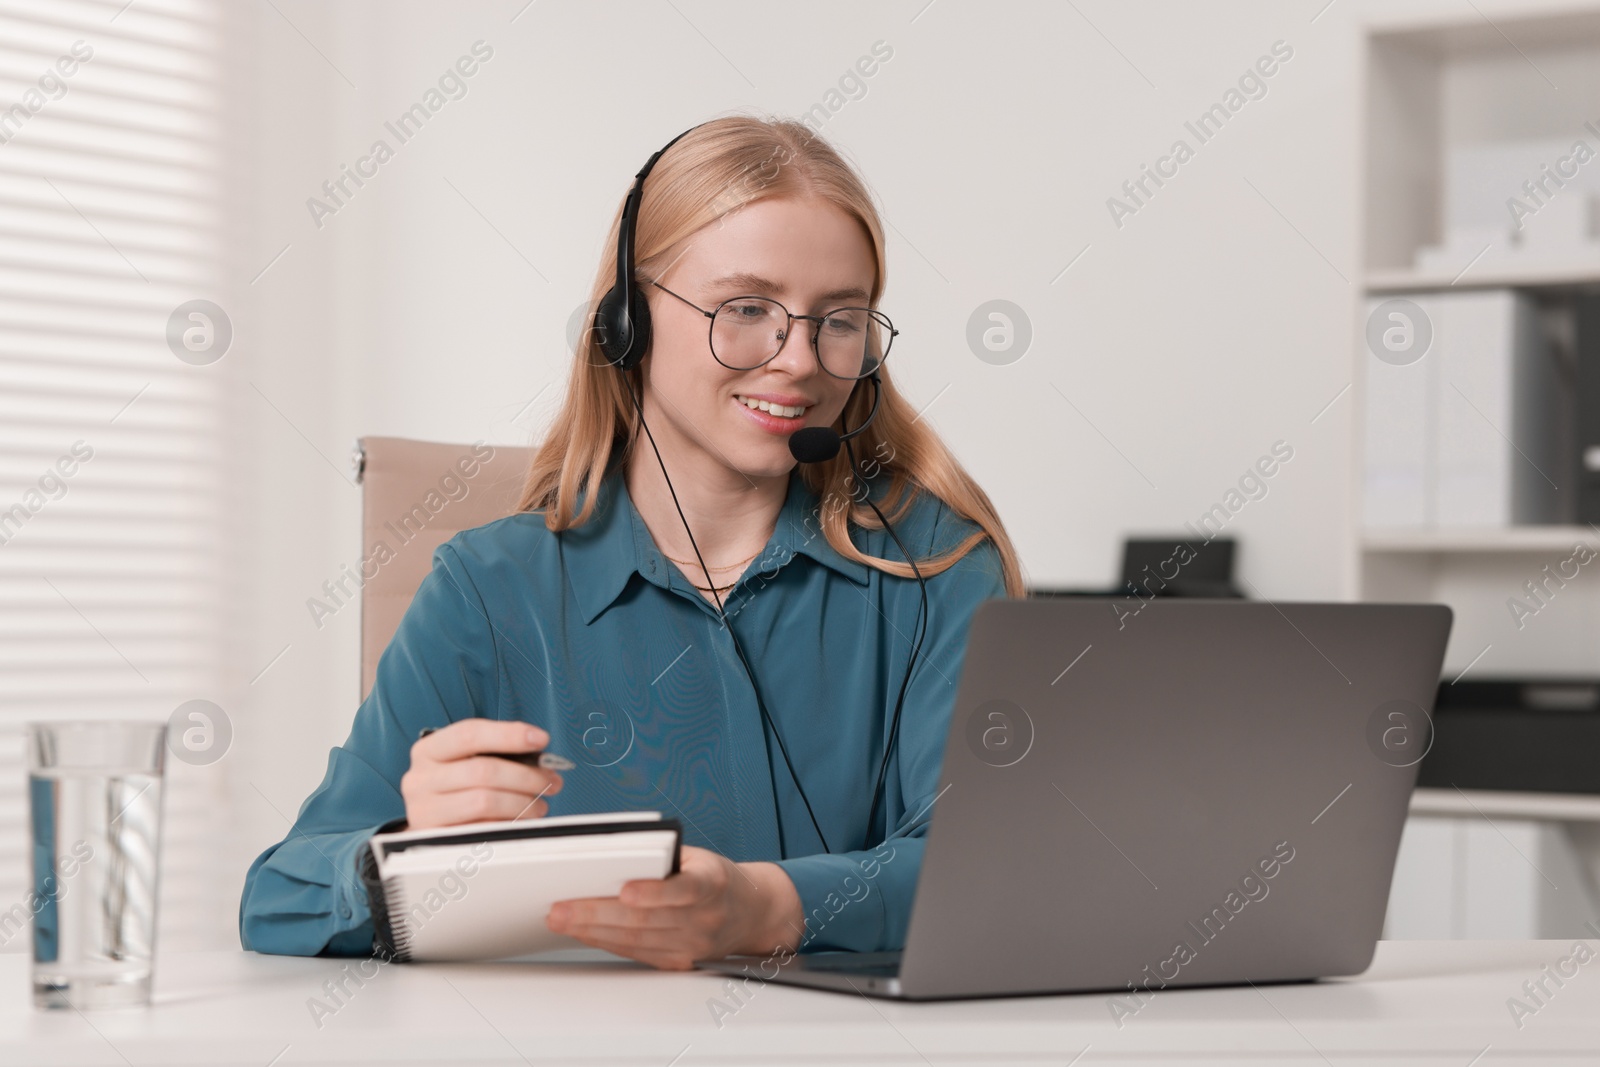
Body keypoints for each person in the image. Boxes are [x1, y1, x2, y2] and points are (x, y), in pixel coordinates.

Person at [239, 115, 1025, 971]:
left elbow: (994, 866)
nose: (798, 359)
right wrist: (399, 852)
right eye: (747, 308)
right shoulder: (489, 589)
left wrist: (764, 905)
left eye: (838, 319)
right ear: (627, 321)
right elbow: (277, 897)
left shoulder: (934, 567)